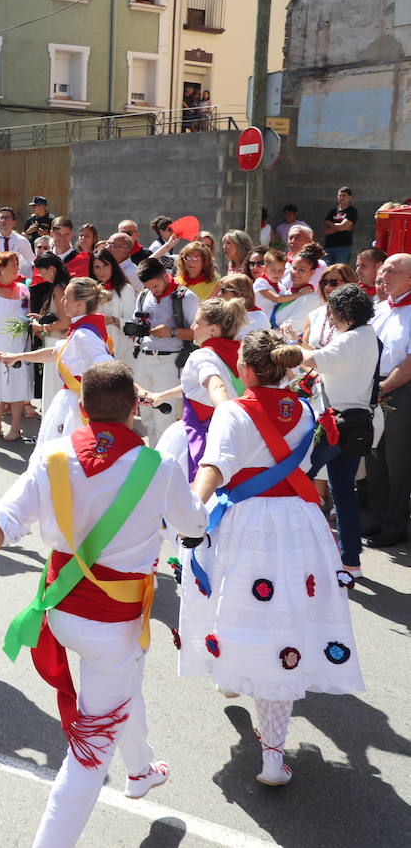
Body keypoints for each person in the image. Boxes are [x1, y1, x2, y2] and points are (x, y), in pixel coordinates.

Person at [0, 361, 206, 847]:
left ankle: (140, 769)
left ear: (82, 407)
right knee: (89, 755)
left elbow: (0, 522)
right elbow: (193, 527)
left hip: (60, 611)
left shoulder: (51, 456)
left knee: (123, 683)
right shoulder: (160, 467)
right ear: (136, 406)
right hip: (113, 623)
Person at [180, 331, 364, 785]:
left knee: (234, 601)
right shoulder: (303, 409)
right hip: (300, 525)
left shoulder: (233, 411)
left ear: (243, 369)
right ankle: (272, 756)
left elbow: (213, 469)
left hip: (248, 524)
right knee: (286, 624)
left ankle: (236, 680)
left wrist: (188, 511)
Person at [295, 285, 381, 573]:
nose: (329, 318)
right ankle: (351, 560)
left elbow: (312, 360)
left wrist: (285, 343)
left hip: (337, 425)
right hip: (357, 424)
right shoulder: (368, 336)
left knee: (297, 477)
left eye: (332, 312)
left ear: (344, 312)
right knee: (343, 491)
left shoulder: (352, 339)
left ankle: (299, 548)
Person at [1, 278, 125, 452]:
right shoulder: (83, 329)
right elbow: (55, 352)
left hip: (76, 403)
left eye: (67, 297)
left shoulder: (84, 334)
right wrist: (18, 356)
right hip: (73, 399)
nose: (62, 301)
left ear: (80, 305)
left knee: (65, 455)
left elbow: (106, 367)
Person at [152, 297, 246, 482]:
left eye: (198, 322)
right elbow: (195, 386)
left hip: (197, 435)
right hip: (234, 437)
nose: (193, 326)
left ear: (213, 329)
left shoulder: (201, 355)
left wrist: (227, 414)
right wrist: (163, 395)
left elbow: (215, 384)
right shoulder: (241, 353)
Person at [366, 253, 411, 549]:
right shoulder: (379, 309)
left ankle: (396, 525)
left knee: (397, 460)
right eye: (383, 271)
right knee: (374, 458)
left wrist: (385, 387)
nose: (384, 275)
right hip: (374, 388)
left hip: (401, 390)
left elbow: (409, 362)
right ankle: (379, 519)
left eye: (391, 271)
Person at [131, 258, 200, 444]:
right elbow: (137, 322)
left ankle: (165, 463)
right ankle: (153, 459)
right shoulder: (144, 296)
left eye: (156, 285)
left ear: (165, 275)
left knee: (164, 418)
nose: (153, 290)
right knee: (146, 417)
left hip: (170, 362)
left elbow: (199, 333)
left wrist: (171, 332)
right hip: (144, 358)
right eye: (148, 287)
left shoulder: (186, 297)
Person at [0, 252, 33, 441]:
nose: (17, 267)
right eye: (13, 264)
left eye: (18, 263)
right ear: (0, 268)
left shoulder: (24, 290)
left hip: (19, 344)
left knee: (17, 383)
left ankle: (16, 428)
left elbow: (28, 314)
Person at [91, 249, 137, 357]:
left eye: (105, 265)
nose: (102, 271)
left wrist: (112, 320)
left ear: (112, 266)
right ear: (93, 270)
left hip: (123, 350)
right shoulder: (93, 291)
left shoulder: (126, 289)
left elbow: (132, 322)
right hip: (100, 349)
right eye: (97, 267)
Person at [213, 273, 268, 337]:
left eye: (223, 290)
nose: (219, 294)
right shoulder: (221, 315)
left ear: (238, 293)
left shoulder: (259, 317)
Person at [0, 207, 35, 279]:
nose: (3, 220)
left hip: (15, 280)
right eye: (1, 217)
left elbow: (31, 262)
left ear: (14, 222)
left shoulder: (22, 241)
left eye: (7, 218)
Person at [322, 186, 358, 266]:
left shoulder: (352, 211)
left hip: (343, 247)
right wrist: (341, 228)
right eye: (339, 195)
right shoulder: (333, 211)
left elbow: (341, 226)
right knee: (327, 270)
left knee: (340, 271)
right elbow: (325, 230)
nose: (341, 198)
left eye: (344, 196)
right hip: (329, 247)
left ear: (350, 197)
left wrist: (332, 225)